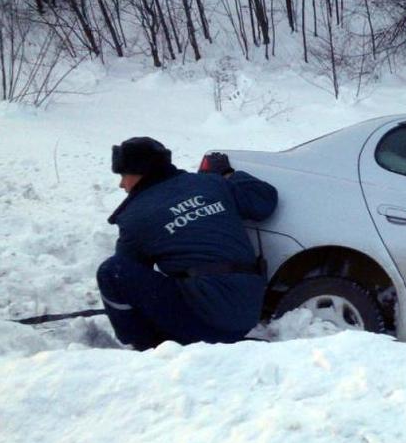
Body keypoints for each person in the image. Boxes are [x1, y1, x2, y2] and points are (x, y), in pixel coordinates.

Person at [97, 137, 278, 350]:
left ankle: (147, 349)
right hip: (249, 310)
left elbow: (129, 275)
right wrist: (228, 174)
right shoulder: (211, 182)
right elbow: (265, 202)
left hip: (207, 321)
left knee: (112, 272)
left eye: (123, 175)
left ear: (139, 172)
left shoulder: (135, 215)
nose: (121, 184)